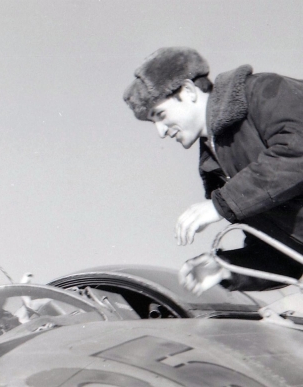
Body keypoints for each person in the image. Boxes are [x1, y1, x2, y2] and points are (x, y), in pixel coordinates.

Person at [123, 47, 303, 295]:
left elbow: (297, 151)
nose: (161, 132)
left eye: (160, 116)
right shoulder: (216, 169)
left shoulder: (262, 91)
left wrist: (222, 204)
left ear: (188, 91)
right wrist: (225, 267)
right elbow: (283, 258)